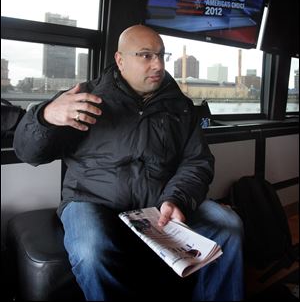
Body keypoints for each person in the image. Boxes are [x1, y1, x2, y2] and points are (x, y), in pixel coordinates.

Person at [14, 25, 244, 301]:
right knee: (91, 250)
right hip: (91, 200)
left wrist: (177, 199)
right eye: (146, 55)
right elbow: (28, 152)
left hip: (159, 203)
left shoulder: (180, 107)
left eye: (161, 55)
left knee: (228, 225)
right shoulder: (85, 98)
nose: (158, 64)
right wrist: (45, 116)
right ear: (120, 60)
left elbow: (197, 162)